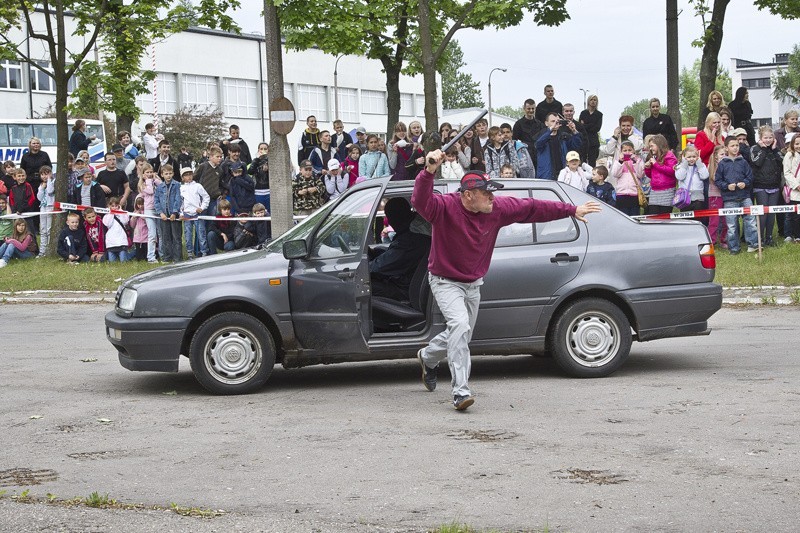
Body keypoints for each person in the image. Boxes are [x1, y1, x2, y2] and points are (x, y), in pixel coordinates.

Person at [411, 150, 601, 410]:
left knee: (460, 333)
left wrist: (571, 209)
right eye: (486, 192)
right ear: (467, 195)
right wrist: (429, 171)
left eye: (492, 191)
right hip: (445, 280)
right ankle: (460, 391)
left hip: (473, 282)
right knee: (459, 326)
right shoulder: (444, 207)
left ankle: (427, 357)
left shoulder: (497, 208)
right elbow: (420, 201)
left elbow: (533, 208)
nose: (492, 197)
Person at [369, 197, 431, 300]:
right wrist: (376, 253)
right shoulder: (414, 231)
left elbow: (379, 267)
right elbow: (394, 256)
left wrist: (363, 267)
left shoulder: (410, 239)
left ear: (394, 218)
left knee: (365, 285)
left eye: (389, 217)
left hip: (406, 290)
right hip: (408, 282)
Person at [715, 136, 759, 254]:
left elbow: (750, 177)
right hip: (729, 199)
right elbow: (718, 181)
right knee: (732, 225)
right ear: (726, 148)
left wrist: (745, 183)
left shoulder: (743, 161)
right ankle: (734, 248)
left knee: (750, 221)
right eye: (732, 146)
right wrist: (727, 186)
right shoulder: (722, 164)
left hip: (745, 196)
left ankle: (753, 244)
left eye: (737, 146)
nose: (735, 148)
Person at [750, 126, 783, 246]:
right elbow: (757, 162)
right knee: (762, 214)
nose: (768, 140)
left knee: (771, 213)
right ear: (760, 138)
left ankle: (769, 237)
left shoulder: (775, 149)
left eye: (770, 137)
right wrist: (763, 149)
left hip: (774, 185)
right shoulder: (755, 148)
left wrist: (774, 150)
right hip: (760, 186)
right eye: (765, 138)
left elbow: (781, 162)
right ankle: (761, 238)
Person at [535, 112, 582, 180]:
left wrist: (574, 131)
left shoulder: (564, 136)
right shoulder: (542, 136)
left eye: (557, 121)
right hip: (547, 175)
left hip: (563, 175)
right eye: (553, 121)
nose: (555, 123)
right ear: (546, 123)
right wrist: (550, 130)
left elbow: (577, 145)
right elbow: (538, 144)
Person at [154, 161, 183, 262]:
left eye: (170, 173)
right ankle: (167, 257)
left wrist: (175, 212)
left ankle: (178, 257)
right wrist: (160, 213)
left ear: (173, 173)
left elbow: (178, 199)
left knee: (176, 237)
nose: (168, 175)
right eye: (166, 173)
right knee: (166, 237)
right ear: (162, 175)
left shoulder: (177, 185)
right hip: (164, 216)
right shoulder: (159, 187)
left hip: (174, 215)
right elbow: (156, 201)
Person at [180, 166, 210, 260]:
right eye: (186, 175)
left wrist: (202, 207)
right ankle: (189, 253)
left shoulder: (198, 186)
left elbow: (206, 197)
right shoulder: (181, 188)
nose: (188, 177)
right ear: (182, 178)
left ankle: (204, 252)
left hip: (197, 214)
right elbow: (180, 202)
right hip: (187, 214)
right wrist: (181, 212)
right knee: (188, 235)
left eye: (190, 174)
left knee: (201, 233)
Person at [643, 134, 677, 215]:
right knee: (653, 215)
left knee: (664, 216)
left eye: (652, 146)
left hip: (666, 191)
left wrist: (656, 164)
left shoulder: (669, 155)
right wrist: (647, 168)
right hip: (654, 191)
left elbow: (672, 171)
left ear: (659, 145)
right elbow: (650, 175)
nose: (650, 148)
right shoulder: (653, 157)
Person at [610, 140, 646, 217]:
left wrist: (635, 161)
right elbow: (615, 174)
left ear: (633, 150)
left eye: (630, 150)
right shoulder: (619, 161)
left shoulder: (638, 160)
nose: (627, 152)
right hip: (621, 194)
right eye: (625, 150)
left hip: (634, 194)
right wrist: (620, 162)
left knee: (634, 215)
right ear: (621, 152)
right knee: (623, 216)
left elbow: (641, 174)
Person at [674, 145, 709, 213]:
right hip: (684, 197)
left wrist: (699, 164)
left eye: (694, 157)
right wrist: (684, 164)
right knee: (686, 218)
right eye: (689, 157)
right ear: (684, 157)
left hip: (698, 197)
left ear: (697, 157)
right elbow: (680, 177)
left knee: (698, 217)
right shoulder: (680, 166)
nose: (691, 159)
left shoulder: (700, 166)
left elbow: (705, 176)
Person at [138, 162, 161, 263]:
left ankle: (162, 254)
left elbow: (161, 186)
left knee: (160, 233)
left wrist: (155, 179)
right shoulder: (143, 185)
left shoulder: (155, 181)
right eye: (147, 172)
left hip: (158, 209)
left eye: (151, 172)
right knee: (152, 234)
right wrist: (148, 180)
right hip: (149, 210)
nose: (150, 174)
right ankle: (151, 256)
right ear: (143, 174)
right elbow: (150, 191)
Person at [706, 145, 728, 248]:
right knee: (714, 220)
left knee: (725, 219)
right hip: (715, 195)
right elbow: (715, 178)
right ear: (716, 156)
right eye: (722, 154)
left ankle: (724, 239)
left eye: (725, 154)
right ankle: (712, 241)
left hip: (726, 195)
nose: (724, 156)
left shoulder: (727, 164)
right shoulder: (712, 166)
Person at [513, 99, 544, 166]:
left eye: (533, 108)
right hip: (524, 156)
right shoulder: (518, 124)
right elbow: (514, 141)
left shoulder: (540, 124)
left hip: (538, 155)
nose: (531, 110)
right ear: (524, 109)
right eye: (528, 108)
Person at [103, 197, 132, 262]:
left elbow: (125, 221)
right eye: (112, 206)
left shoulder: (124, 213)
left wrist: (120, 211)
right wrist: (111, 213)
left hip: (121, 241)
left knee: (123, 261)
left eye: (116, 206)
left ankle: (131, 255)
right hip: (111, 243)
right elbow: (108, 224)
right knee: (112, 262)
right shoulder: (106, 216)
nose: (115, 207)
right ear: (109, 206)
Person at [783, 135, 800, 243]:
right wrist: (797, 185)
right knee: (794, 215)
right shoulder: (789, 155)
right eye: (797, 143)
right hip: (795, 191)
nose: (799, 146)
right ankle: (795, 235)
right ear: (793, 144)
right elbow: (787, 173)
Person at [35, 165, 55, 257]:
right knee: (42, 230)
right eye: (42, 174)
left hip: (50, 207)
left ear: (50, 174)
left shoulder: (53, 182)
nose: (44, 176)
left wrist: (50, 180)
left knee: (48, 229)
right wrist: (42, 188)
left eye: (46, 174)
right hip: (42, 208)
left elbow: (50, 191)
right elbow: (39, 198)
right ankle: (42, 251)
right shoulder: (41, 185)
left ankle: (48, 250)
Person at [579, 94, 603, 166]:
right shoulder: (583, 113)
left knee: (592, 162)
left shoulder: (599, 114)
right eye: (591, 100)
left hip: (593, 142)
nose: (593, 101)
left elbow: (597, 128)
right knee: (582, 161)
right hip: (584, 140)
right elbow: (580, 127)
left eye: (595, 100)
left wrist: (585, 125)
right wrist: (591, 124)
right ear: (588, 101)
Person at [249, 142, 271, 211]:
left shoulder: (271, 161)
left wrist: (268, 169)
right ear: (258, 150)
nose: (263, 150)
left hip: (269, 191)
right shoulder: (255, 161)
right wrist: (257, 160)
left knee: (269, 212)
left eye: (265, 149)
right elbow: (250, 171)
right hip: (258, 191)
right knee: (259, 211)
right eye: (261, 149)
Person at [131, 196, 148, 261]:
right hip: (137, 235)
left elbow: (149, 224)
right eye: (138, 204)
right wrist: (133, 218)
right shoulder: (135, 212)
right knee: (138, 255)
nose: (140, 206)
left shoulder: (147, 212)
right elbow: (132, 225)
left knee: (145, 253)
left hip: (146, 235)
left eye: (142, 204)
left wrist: (143, 218)